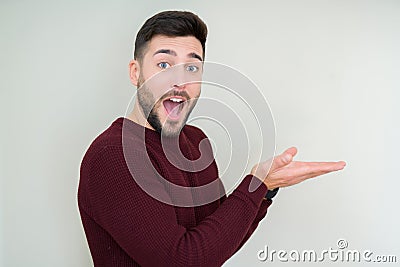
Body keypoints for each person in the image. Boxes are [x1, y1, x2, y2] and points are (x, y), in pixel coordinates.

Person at [77, 10, 345, 267]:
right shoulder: (113, 155)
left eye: (192, 68)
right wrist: (256, 183)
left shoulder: (195, 141)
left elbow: (214, 248)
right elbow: (184, 261)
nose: (179, 81)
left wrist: (264, 188)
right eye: (163, 64)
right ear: (136, 73)